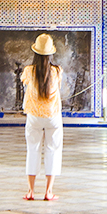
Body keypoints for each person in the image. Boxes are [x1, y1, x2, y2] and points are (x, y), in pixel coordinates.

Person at [21, 33, 63, 201]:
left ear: (35, 52)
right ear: (50, 53)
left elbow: (24, 82)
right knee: (53, 150)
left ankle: (31, 191)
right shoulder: (57, 71)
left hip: (34, 116)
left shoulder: (28, 71)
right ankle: (48, 192)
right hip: (52, 115)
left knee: (33, 149)